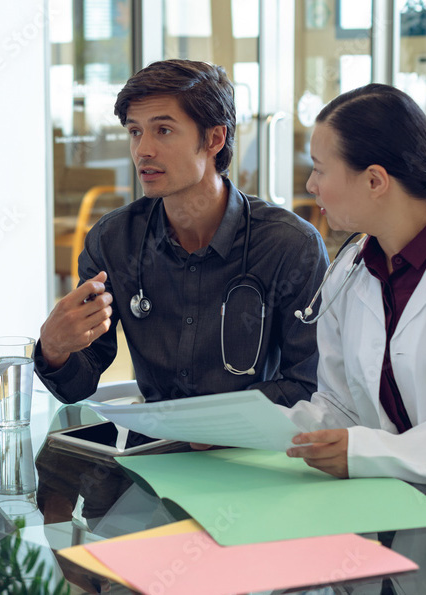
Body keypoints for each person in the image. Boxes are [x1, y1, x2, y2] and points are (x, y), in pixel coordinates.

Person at [35, 59, 328, 406]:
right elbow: (78, 385)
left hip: (250, 450)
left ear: (214, 138)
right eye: (135, 131)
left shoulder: (289, 245)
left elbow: (308, 384)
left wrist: (215, 425)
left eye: (163, 130)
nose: (143, 149)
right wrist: (54, 349)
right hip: (149, 452)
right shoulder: (113, 241)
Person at [283, 83, 426, 484]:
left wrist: (366, 451)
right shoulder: (350, 271)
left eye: (320, 169)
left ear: (375, 181)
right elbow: (343, 409)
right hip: (387, 508)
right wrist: (239, 429)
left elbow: (363, 444)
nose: (312, 186)